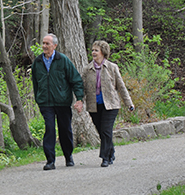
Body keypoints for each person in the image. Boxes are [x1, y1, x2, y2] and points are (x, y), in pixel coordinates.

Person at [75, 40, 134, 167]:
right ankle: (111, 152)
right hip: (94, 105)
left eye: (96, 50)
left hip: (111, 105)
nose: (93, 52)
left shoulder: (112, 67)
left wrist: (128, 102)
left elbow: (121, 87)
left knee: (106, 130)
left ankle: (105, 158)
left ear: (103, 52)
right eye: (92, 50)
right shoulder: (87, 69)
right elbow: (82, 87)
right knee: (102, 132)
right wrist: (79, 101)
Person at [31, 33, 84, 170]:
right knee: (49, 129)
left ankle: (68, 156)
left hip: (62, 101)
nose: (44, 46)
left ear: (54, 45)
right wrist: (39, 98)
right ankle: (50, 161)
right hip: (46, 103)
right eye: (43, 43)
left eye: (47, 44)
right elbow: (35, 83)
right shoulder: (37, 62)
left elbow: (75, 79)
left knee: (65, 130)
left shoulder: (63, 60)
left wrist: (79, 98)